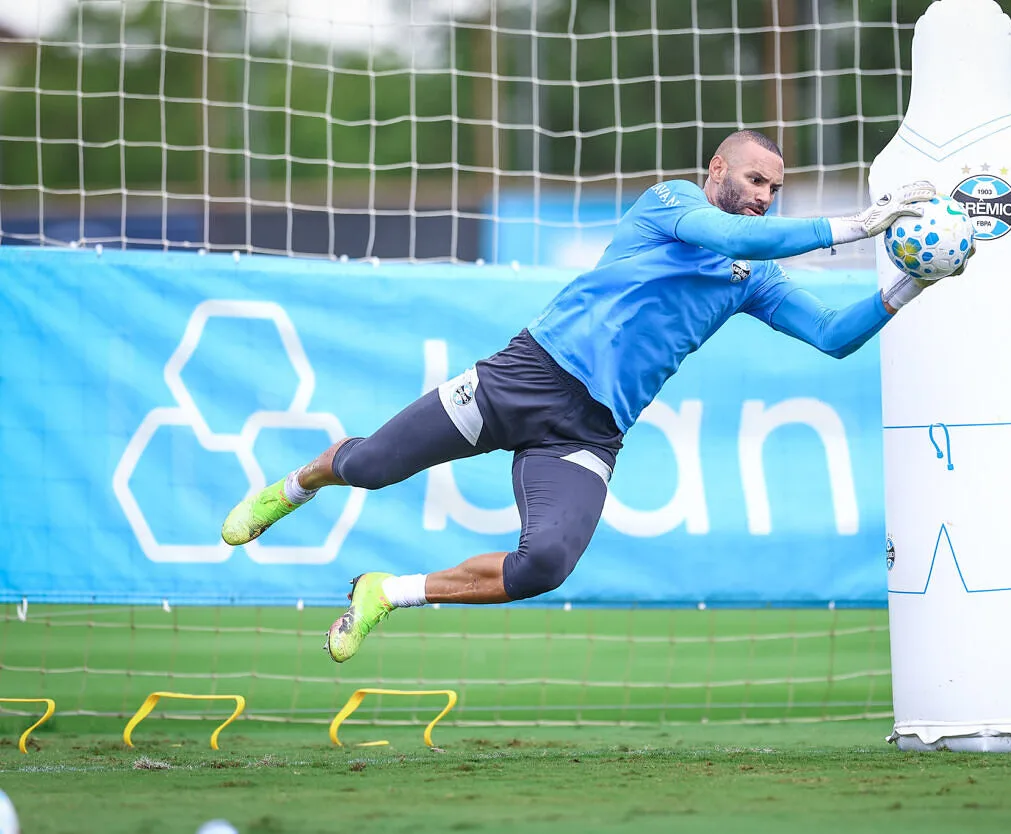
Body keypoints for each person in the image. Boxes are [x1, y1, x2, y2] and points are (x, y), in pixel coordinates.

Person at [220, 129, 968, 663]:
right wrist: (861, 224)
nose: (764, 198)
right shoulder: (672, 204)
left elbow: (833, 336)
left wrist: (912, 281)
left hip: (588, 432)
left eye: (775, 189)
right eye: (754, 181)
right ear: (717, 170)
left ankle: (387, 593)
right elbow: (738, 239)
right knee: (369, 467)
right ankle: (295, 485)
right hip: (524, 379)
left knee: (545, 565)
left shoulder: (755, 278)